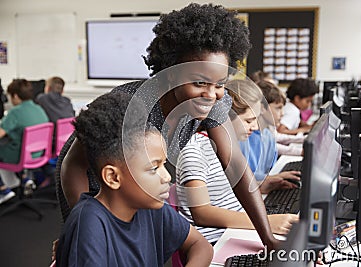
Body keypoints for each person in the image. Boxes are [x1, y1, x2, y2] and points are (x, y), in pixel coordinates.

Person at [58, 3, 280, 250]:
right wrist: (82, 225)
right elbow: (73, 165)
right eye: (199, 82)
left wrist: (268, 238)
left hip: (136, 186)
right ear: (171, 74)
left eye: (220, 83)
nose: (211, 94)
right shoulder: (133, 103)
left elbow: (235, 165)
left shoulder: (213, 100)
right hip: (93, 183)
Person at [56, 92, 213, 266]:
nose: (167, 177)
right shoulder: (89, 225)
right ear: (113, 177)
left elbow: (200, 245)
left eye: (163, 164)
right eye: (154, 168)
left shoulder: (150, 205)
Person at [176, 129, 299, 244]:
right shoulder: (194, 151)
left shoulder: (226, 145)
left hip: (235, 229)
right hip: (216, 241)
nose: (255, 127)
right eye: (248, 121)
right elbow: (201, 213)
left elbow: (221, 188)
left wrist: (261, 186)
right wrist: (267, 222)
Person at [227, 79, 301, 190]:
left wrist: (267, 182)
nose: (282, 114)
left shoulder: (266, 134)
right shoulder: (241, 139)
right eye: (248, 121)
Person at [0, 79, 49, 204]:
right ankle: (25, 178)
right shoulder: (39, 108)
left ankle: (3, 190)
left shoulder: (15, 112)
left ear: (15, 96)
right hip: (39, 155)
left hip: (21, 157)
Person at [257, 80, 305, 156]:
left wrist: (303, 139)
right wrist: (300, 152)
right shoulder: (254, 133)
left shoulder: (268, 128)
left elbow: (276, 138)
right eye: (278, 108)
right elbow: (272, 146)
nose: (282, 113)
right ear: (262, 108)